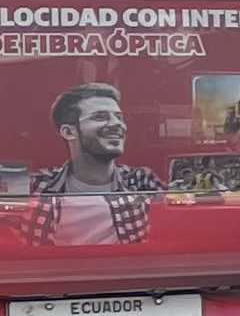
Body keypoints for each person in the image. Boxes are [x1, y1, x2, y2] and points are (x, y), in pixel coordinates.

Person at [26, 82, 163, 246]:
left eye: (119, 117)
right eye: (99, 117)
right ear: (69, 132)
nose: (117, 124)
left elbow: (176, 220)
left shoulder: (140, 181)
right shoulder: (36, 185)